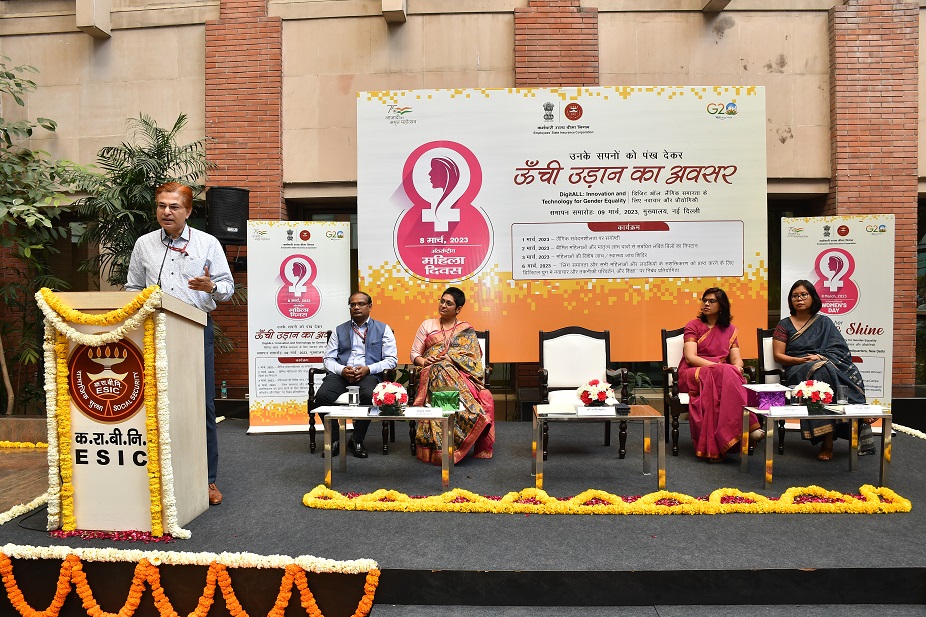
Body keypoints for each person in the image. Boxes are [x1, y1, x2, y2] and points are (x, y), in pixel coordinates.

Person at [126, 182, 234, 506]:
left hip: (195, 330)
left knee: (202, 405)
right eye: (161, 205)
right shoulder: (144, 245)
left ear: (188, 211)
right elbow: (132, 287)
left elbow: (228, 289)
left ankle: (207, 479)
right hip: (153, 332)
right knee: (156, 404)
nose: (166, 212)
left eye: (174, 206)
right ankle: (158, 475)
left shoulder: (207, 243)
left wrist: (211, 286)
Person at [772, 280, 875, 461]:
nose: (799, 299)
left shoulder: (824, 322)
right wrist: (801, 360)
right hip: (796, 369)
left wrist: (820, 357)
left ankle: (838, 428)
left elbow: (839, 350)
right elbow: (778, 355)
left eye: (804, 295)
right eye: (795, 296)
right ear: (790, 300)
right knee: (823, 370)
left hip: (822, 364)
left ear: (813, 297)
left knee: (829, 369)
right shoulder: (784, 324)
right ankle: (848, 420)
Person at [677, 288, 763, 462]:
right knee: (725, 372)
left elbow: (737, 360)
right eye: (704, 300)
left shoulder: (730, 330)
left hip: (720, 375)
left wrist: (736, 368)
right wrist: (720, 367)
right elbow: (691, 357)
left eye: (712, 301)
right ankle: (750, 425)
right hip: (694, 372)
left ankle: (721, 442)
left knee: (727, 376)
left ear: (722, 306)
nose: (706, 304)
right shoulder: (693, 325)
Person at [410, 287, 494, 464]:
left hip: (461, 375)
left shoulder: (466, 330)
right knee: (439, 368)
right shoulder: (427, 325)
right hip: (429, 373)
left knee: (442, 367)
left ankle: (448, 444)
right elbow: (414, 354)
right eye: (442, 301)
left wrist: (451, 358)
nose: (443, 305)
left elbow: (474, 360)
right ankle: (471, 416)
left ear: (458, 309)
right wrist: (424, 361)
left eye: (449, 303)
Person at [312, 292, 398, 458]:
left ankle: (357, 439)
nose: (356, 307)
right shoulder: (339, 330)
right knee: (321, 397)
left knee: (369, 396)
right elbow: (328, 359)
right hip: (342, 374)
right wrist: (342, 370)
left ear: (370, 306)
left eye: (361, 304)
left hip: (368, 374)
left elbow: (391, 360)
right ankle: (335, 439)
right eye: (352, 305)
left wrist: (368, 369)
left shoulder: (383, 329)